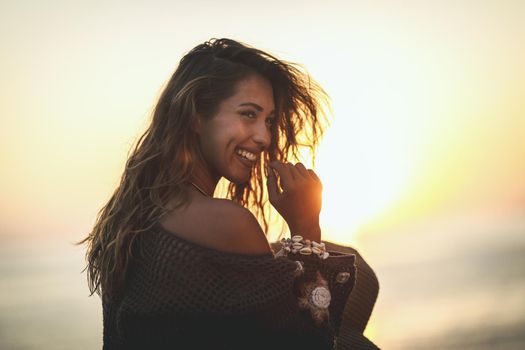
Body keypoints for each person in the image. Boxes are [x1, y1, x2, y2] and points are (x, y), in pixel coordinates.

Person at [80, 38, 379, 349]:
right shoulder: (226, 221)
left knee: (355, 266)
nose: (264, 137)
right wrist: (306, 227)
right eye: (248, 114)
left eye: (269, 120)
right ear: (196, 114)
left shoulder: (141, 204)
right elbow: (308, 344)